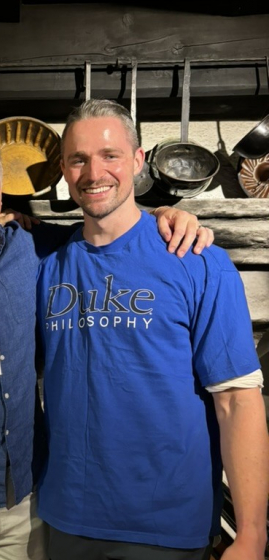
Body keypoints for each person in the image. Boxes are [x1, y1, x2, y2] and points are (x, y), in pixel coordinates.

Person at [0, 122, 214, 560]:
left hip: (25, 502)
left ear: (0, 190)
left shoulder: (36, 248)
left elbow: (110, 229)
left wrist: (167, 216)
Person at [36, 99, 269, 560]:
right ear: (63, 168)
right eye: (78, 159)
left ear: (139, 160)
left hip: (167, 526)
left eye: (110, 155)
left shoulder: (198, 261)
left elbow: (237, 402)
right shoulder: (45, 263)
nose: (93, 172)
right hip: (67, 519)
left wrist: (252, 534)